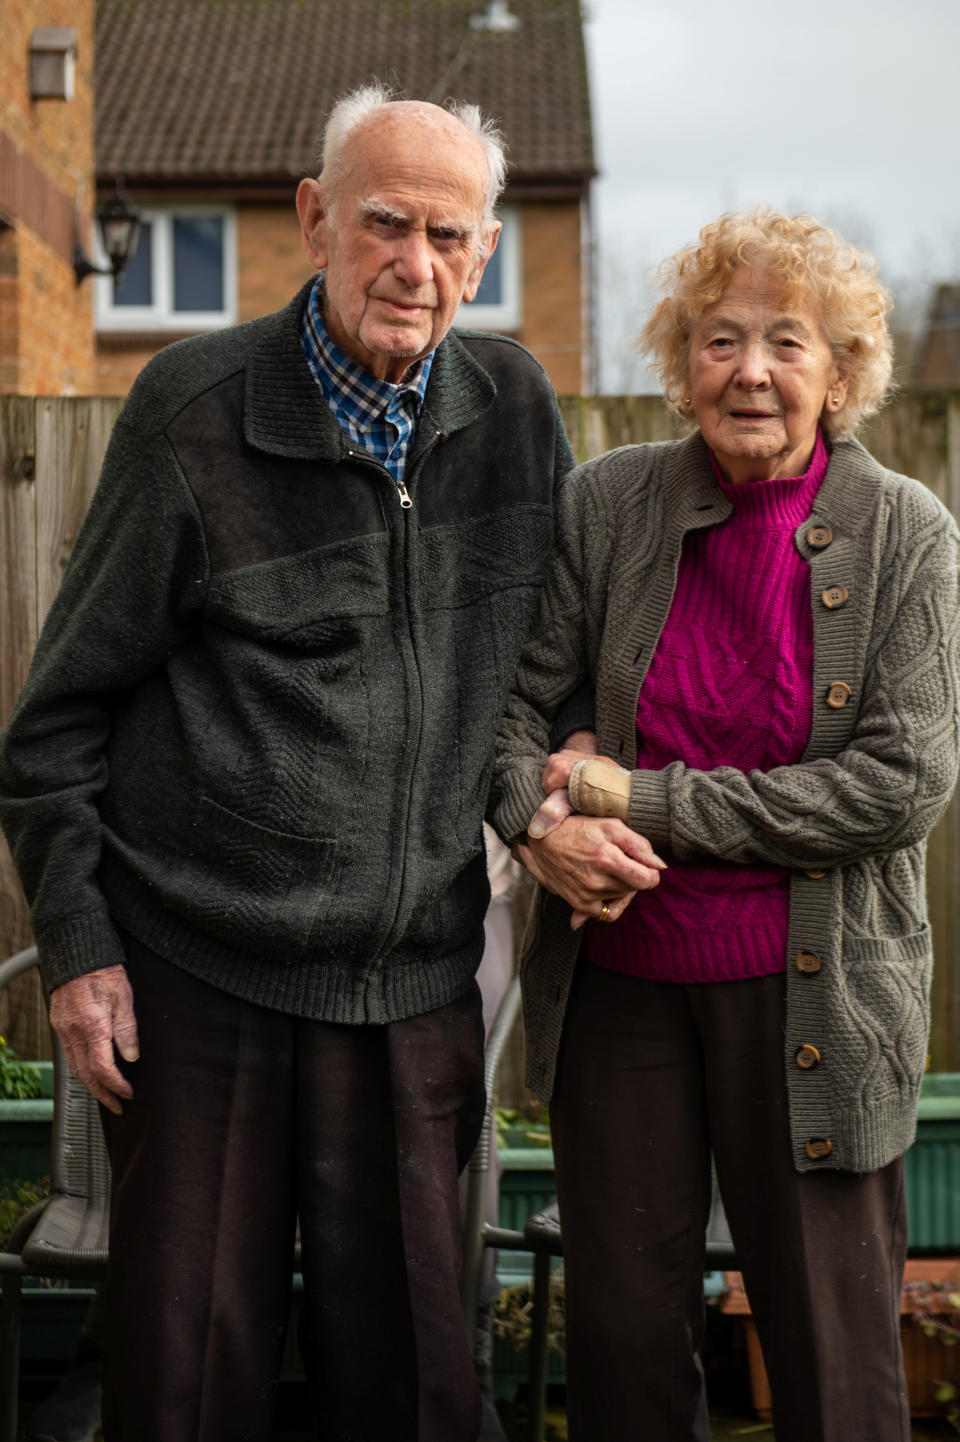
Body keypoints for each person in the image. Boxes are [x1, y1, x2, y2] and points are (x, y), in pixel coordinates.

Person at [0, 83, 574, 1442]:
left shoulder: (515, 410)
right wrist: (79, 950)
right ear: (315, 220)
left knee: (421, 1383)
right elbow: (57, 721)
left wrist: (569, 775)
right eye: (384, 224)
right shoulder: (192, 410)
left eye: (449, 237)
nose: (415, 265)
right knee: (187, 1369)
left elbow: (551, 676)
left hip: (411, 980)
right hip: (201, 980)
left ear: (484, 256)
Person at [490, 208, 960, 1442]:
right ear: (683, 360)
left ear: (841, 371)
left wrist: (633, 792)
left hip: (817, 998)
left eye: (786, 341)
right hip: (624, 988)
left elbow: (897, 783)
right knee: (626, 1340)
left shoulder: (907, 531)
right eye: (719, 339)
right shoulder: (608, 506)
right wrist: (542, 814)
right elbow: (505, 718)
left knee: (832, 1348)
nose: (749, 369)